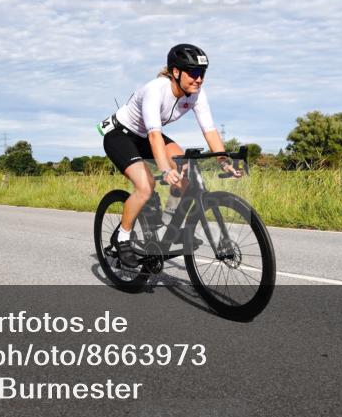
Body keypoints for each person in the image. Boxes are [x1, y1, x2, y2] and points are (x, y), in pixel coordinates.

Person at [98, 44, 240, 268]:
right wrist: (165, 169)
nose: (199, 79)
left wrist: (223, 160)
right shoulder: (156, 89)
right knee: (146, 185)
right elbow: (155, 135)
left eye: (202, 73)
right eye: (193, 73)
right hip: (121, 136)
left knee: (186, 172)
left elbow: (210, 130)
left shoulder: (196, 94)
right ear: (176, 72)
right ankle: (122, 237)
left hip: (145, 136)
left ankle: (168, 227)